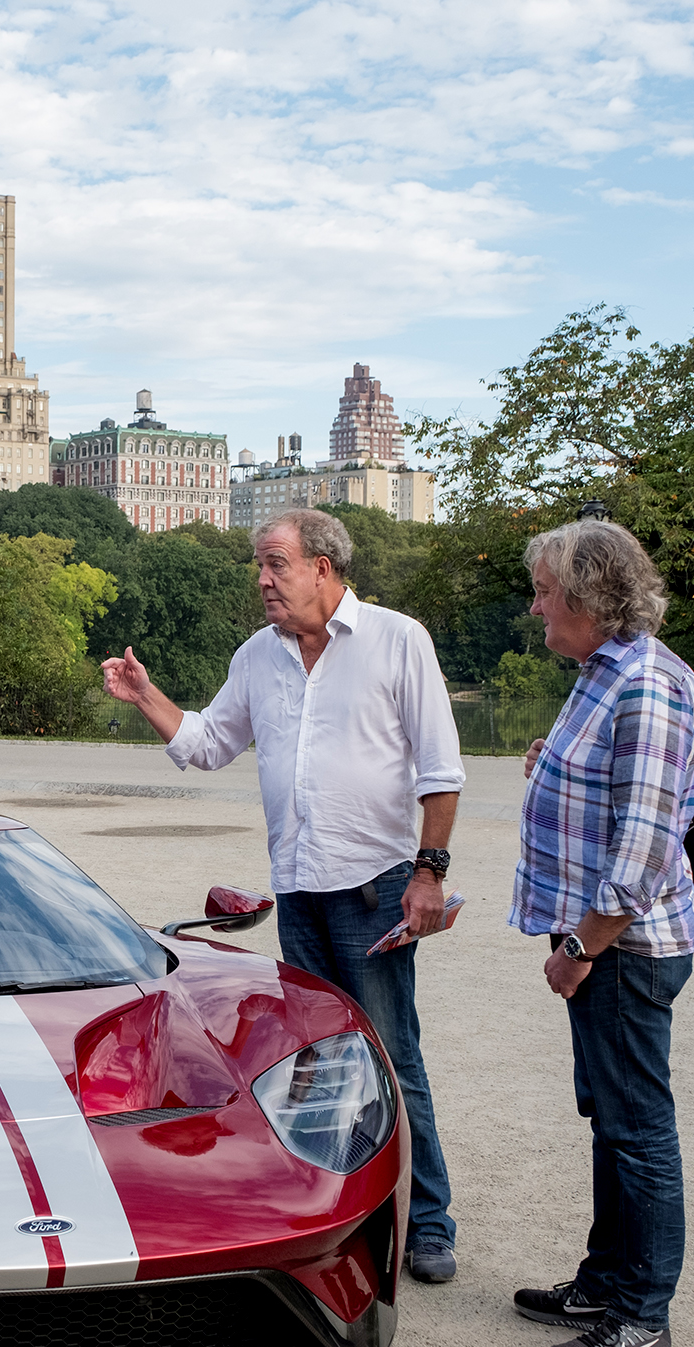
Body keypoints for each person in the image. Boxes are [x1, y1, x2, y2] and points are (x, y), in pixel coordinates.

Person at [102, 509, 467, 1283]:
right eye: (258, 565)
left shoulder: (399, 639)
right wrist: (146, 696)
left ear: (324, 568)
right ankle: (331, 1214)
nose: (262, 580)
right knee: (318, 1064)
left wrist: (428, 873)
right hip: (299, 891)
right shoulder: (257, 657)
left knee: (393, 1056)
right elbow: (206, 744)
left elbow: (440, 770)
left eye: (276, 563)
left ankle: (429, 1223)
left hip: (376, 889)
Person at [509, 519, 694, 1347]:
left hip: (625, 949)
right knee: (612, 1123)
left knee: (637, 1130)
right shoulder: (603, 672)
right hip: (605, 944)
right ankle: (607, 1283)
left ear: (589, 597)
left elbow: (646, 847)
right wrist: (551, 765)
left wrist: (580, 949)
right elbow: (606, 783)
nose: (537, 604)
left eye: (546, 589)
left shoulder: (650, 686)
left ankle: (643, 1320)